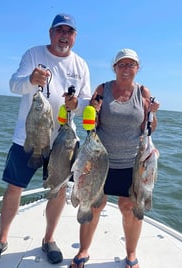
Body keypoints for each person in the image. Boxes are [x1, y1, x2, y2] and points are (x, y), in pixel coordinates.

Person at [0, 13, 91, 265]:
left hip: (62, 140)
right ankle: (2, 238)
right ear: (50, 33)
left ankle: (49, 239)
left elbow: (85, 102)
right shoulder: (33, 54)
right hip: (28, 136)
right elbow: (14, 84)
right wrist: (31, 80)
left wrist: (76, 104)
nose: (64, 35)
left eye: (69, 31)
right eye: (59, 30)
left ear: (75, 37)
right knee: (14, 188)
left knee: (58, 189)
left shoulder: (81, 65)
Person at [69, 48, 160, 268]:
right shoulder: (103, 89)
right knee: (93, 205)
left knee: (129, 207)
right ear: (114, 67)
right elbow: (92, 125)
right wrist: (95, 110)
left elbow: (149, 129)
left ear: (137, 68)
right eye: (122, 64)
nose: (126, 69)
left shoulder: (143, 92)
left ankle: (130, 255)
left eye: (131, 65)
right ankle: (83, 251)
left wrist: (153, 113)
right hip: (99, 160)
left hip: (132, 163)